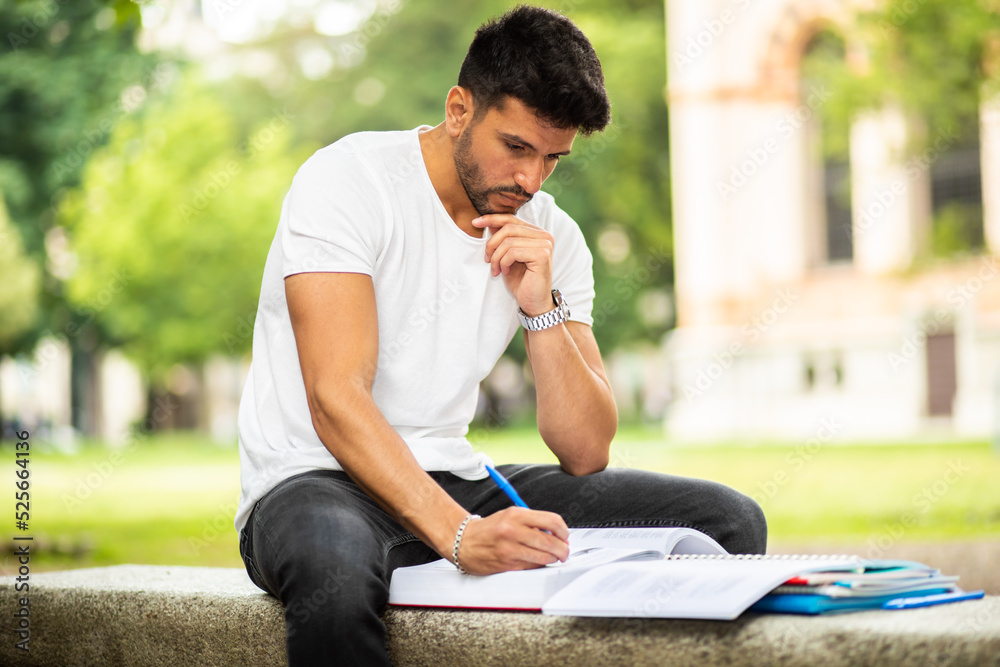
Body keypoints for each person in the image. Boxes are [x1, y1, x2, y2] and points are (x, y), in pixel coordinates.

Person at [235, 5, 766, 665]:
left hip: (454, 475)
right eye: (516, 147)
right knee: (335, 572)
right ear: (460, 109)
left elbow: (585, 449)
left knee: (725, 522)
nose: (531, 180)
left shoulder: (552, 235)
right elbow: (335, 396)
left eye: (552, 158)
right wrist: (460, 535)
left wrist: (540, 306)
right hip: (315, 480)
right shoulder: (348, 182)